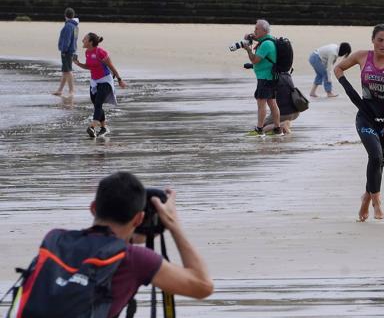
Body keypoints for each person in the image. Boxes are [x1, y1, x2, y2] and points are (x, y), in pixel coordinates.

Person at [21, 172, 213, 317]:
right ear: (138, 219)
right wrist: (172, 224)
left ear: (93, 207)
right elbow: (202, 285)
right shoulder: (134, 260)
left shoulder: (57, 240)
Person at [333, 24, 384, 222]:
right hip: (365, 117)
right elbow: (338, 68)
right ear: (373, 40)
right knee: (375, 157)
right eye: (380, 40)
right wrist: (350, 91)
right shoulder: (361, 56)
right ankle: (377, 202)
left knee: (379, 163)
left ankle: (366, 198)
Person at [72, 33, 127, 137]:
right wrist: (78, 63)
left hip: (105, 80)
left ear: (91, 42)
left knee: (98, 103)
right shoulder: (87, 52)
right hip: (94, 82)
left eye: (85, 39)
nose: (82, 40)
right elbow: (89, 67)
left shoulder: (100, 52)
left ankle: (92, 126)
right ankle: (104, 128)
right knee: (97, 104)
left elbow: (111, 66)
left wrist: (120, 79)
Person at [242, 19, 283, 136]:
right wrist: (250, 37)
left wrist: (249, 50)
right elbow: (258, 38)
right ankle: (277, 129)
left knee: (261, 103)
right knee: (272, 102)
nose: (254, 31)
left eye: (256, 29)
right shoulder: (269, 39)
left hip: (265, 78)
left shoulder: (266, 44)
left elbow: (255, 60)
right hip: (271, 77)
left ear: (264, 30)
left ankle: (260, 129)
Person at [53, 7, 79, 96]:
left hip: (67, 51)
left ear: (65, 15)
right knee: (65, 71)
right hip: (72, 50)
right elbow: (75, 39)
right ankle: (60, 90)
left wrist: (64, 50)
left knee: (68, 70)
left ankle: (72, 90)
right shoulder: (75, 26)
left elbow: (66, 40)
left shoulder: (68, 26)